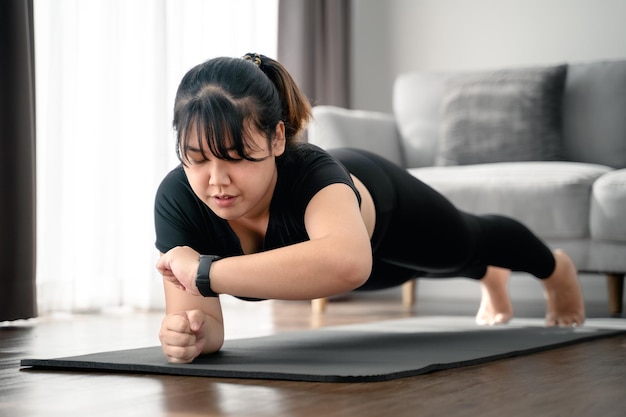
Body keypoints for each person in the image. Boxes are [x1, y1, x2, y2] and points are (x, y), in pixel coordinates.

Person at [154, 53, 585, 364]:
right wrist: (189, 336)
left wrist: (206, 272)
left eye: (235, 156)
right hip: (343, 266)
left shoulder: (312, 174)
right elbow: (203, 322)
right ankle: (488, 276)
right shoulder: (178, 200)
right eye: (196, 158)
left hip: (386, 211)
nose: (216, 180)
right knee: (413, 269)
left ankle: (554, 269)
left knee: (467, 243)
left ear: (277, 139)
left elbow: (347, 262)